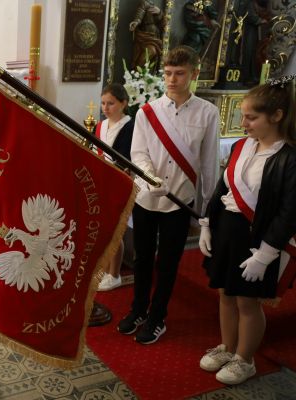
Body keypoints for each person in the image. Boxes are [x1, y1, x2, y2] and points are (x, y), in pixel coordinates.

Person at [198, 77, 296, 385]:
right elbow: (223, 186)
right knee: (225, 293)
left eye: (251, 117)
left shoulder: (288, 158)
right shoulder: (242, 145)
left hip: (256, 238)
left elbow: (288, 212)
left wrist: (265, 255)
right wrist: (206, 223)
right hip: (227, 228)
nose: (244, 123)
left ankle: (245, 358)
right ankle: (227, 348)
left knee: (247, 302)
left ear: (277, 116)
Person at [118, 46, 219, 344]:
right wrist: (150, 177)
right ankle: (138, 309)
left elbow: (209, 164)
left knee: (169, 262)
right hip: (148, 197)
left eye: (179, 73)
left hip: (180, 200)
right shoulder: (147, 112)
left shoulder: (208, 113)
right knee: (143, 257)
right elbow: (138, 152)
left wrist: (204, 214)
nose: (172, 80)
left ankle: (157, 316)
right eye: (168, 73)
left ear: (194, 74)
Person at [95, 83, 134, 291]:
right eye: (103, 103)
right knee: (103, 229)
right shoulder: (101, 126)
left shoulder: (130, 127)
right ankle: (105, 269)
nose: (105, 108)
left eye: (110, 103)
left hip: (119, 183)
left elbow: (130, 158)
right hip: (102, 182)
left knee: (115, 230)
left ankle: (115, 273)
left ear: (123, 103)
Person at [129, 0, 165, 70]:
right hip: (145, 35)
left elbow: (162, 22)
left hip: (155, 36)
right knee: (151, 51)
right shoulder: (144, 2)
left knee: (153, 56)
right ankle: (136, 72)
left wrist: (159, 12)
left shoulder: (154, 5)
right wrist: (135, 22)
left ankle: (146, 74)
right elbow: (139, 14)